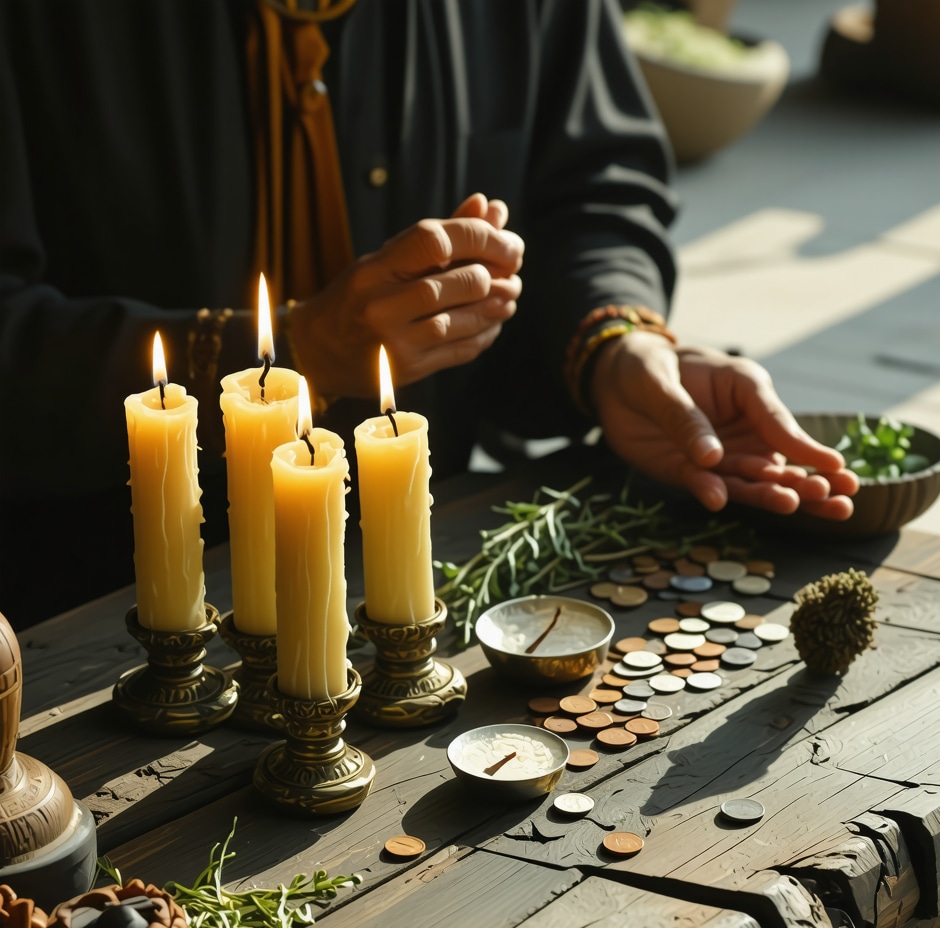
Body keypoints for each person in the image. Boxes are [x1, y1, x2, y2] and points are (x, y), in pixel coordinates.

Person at [0, 0, 856, 631]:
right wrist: (297, 353)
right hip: (99, 616)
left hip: (424, 572)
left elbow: (592, 188)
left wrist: (612, 344)